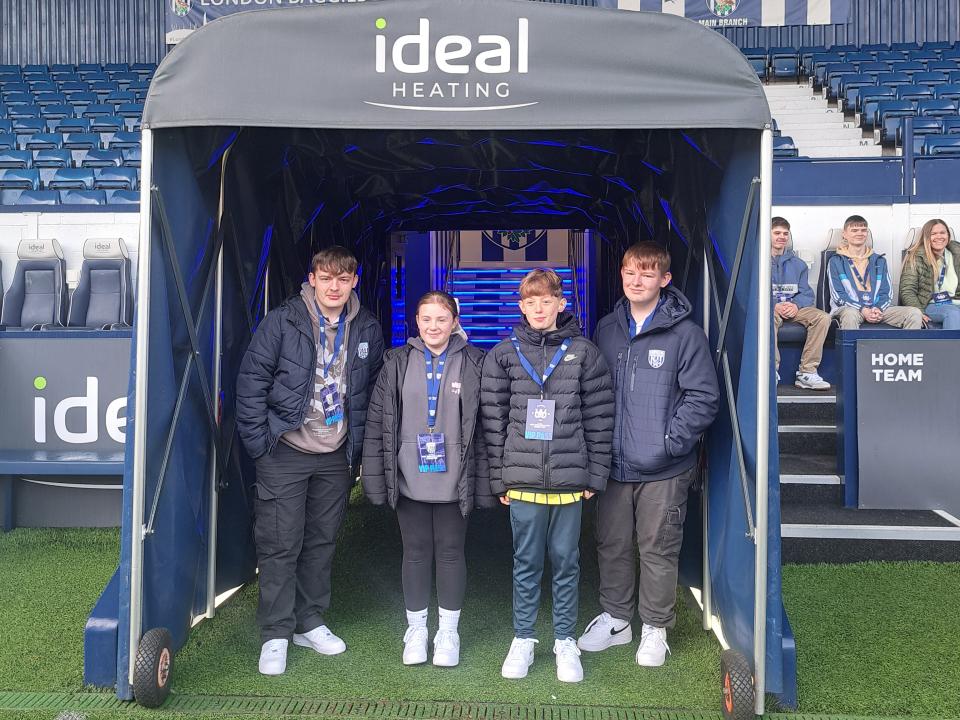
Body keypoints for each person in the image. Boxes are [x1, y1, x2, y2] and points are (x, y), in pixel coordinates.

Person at [236, 246, 385, 676]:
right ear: (313, 279)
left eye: (343, 279)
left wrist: (359, 448)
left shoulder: (367, 326)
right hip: (285, 450)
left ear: (354, 281)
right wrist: (260, 445)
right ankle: (276, 632)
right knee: (280, 543)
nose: (334, 287)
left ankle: (309, 621)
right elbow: (251, 382)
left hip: (335, 454)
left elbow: (374, 388)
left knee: (321, 541)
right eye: (327, 278)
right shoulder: (283, 321)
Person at [578, 242, 719, 668]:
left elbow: (703, 397)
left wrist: (670, 442)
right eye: (630, 272)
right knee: (611, 543)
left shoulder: (686, 334)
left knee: (657, 548)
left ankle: (655, 627)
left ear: (664, 279)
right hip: (613, 465)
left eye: (646, 273)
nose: (636, 281)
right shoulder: (606, 328)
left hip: (664, 468)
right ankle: (617, 620)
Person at [480, 269, 613, 684]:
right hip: (521, 479)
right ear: (521, 306)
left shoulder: (584, 353)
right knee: (525, 562)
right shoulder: (503, 354)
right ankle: (523, 638)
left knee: (566, 562)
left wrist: (595, 475)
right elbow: (493, 420)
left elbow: (599, 417)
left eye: (546, 300)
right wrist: (499, 478)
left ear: (561, 302)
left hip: (570, 479)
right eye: (531, 302)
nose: (539, 308)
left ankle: (565, 641)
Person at [361, 291, 493, 668]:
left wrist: (490, 480)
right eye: (426, 319)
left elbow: (487, 425)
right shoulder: (396, 362)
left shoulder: (475, 361)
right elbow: (378, 422)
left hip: (455, 477)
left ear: (454, 322)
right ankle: (417, 630)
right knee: (415, 552)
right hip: (409, 475)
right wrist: (373, 477)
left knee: (451, 552)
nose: (433, 326)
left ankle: (448, 633)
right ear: (416, 322)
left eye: (441, 319)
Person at [826, 215, 923, 330]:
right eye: (854, 230)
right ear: (844, 234)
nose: (860, 233)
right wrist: (863, 309)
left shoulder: (880, 260)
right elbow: (837, 295)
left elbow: (886, 293)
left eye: (863, 230)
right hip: (851, 308)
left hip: (877, 308)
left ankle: (908, 343)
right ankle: (852, 343)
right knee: (850, 314)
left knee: (914, 313)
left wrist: (878, 308)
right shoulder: (836, 261)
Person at [769, 217, 831, 390]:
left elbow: (806, 293)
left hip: (793, 308)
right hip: (770, 309)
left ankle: (807, 372)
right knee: (767, 317)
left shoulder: (799, 264)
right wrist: (774, 305)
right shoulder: (757, 262)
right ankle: (771, 371)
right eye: (777, 233)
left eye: (785, 233)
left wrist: (795, 305)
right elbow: (753, 293)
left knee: (822, 318)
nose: (782, 237)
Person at [899, 219, 960, 330]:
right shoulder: (916, 257)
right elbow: (907, 290)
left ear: (948, 235)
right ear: (926, 237)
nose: (939, 236)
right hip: (930, 304)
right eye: (934, 234)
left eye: (942, 233)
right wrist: (919, 312)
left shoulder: (957, 254)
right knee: (953, 313)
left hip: (956, 302)